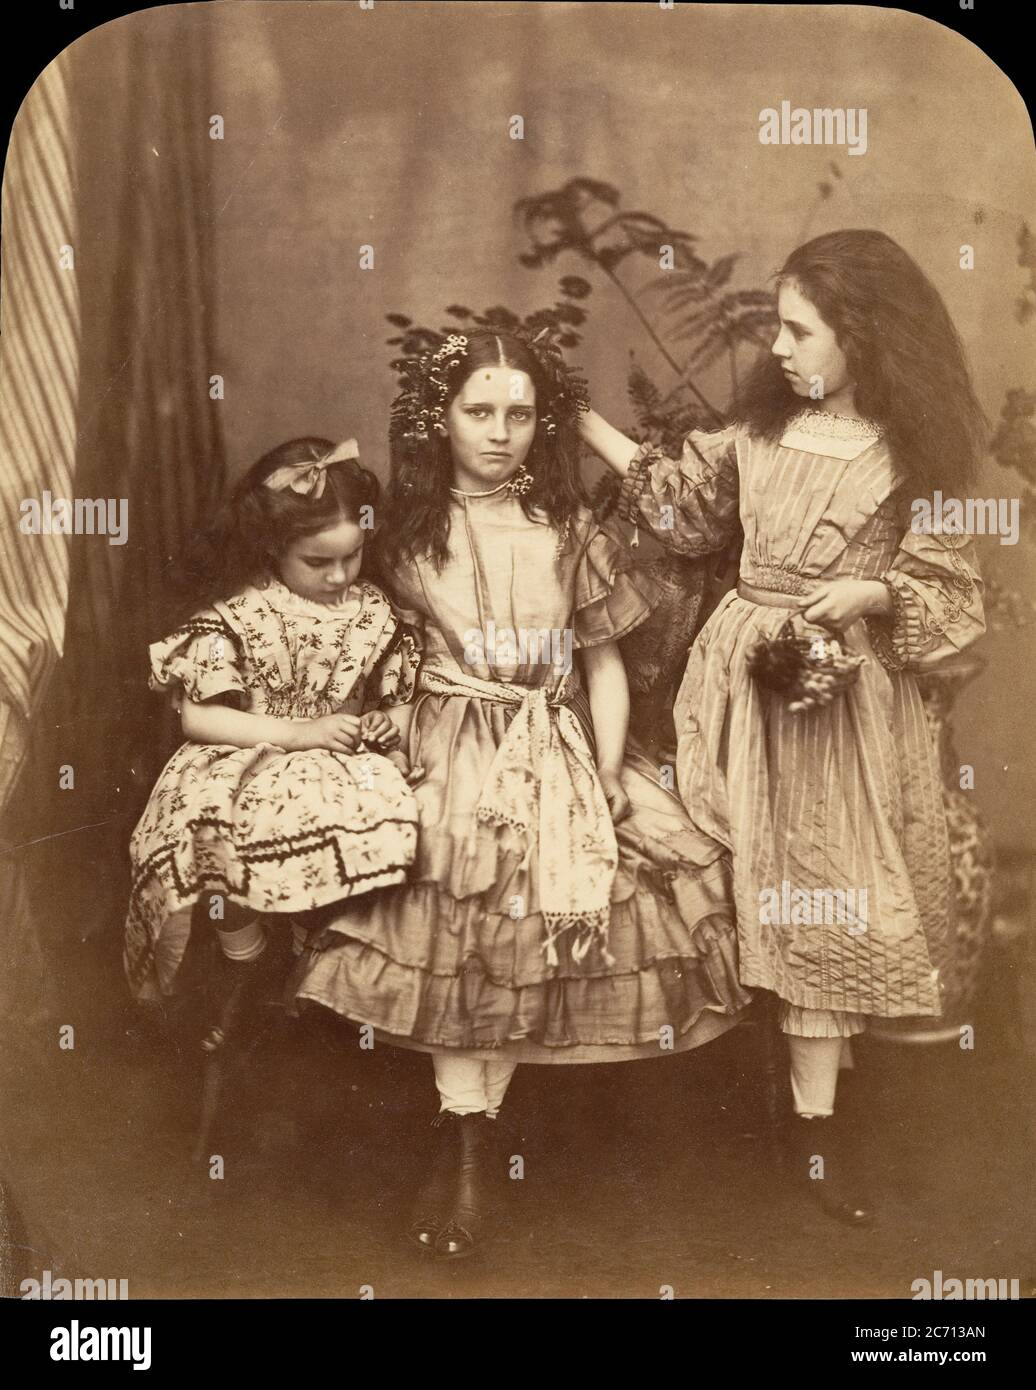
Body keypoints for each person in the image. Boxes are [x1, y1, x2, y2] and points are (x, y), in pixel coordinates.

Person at [295, 326, 753, 1260]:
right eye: (478, 412)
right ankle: (463, 1141)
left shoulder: (567, 527)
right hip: (442, 742)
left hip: (555, 739)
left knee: (537, 913)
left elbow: (604, 667)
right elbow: (348, 643)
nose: (500, 432)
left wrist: (609, 771)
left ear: (544, 422)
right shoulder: (405, 534)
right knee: (458, 898)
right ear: (442, 418)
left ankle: (473, 1139)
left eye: (520, 413)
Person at [578, 229, 987, 1224]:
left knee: (823, 885)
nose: (783, 353)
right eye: (778, 331)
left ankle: (815, 1131)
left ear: (866, 336)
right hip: (736, 685)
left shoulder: (912, 456)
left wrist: (873, 590)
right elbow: (682, 509)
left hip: (835, 696)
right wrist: (581, 420)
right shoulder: (757, 434)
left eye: (801, 331)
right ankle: (722, 1107)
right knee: (735, 871)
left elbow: (951, 589)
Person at [124, 437, 421, 1054]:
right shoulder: (240, 611)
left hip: (334, 757)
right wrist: (294, 734)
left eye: (352, 556)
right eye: (319, 562)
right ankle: (247, 959)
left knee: (380, 821)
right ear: (272, 546)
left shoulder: (373, 613)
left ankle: (313, 968)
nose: (340, 576)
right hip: (245, 751)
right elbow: (200, 719)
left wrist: (386, 724)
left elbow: (394, 697)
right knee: (211, 830)